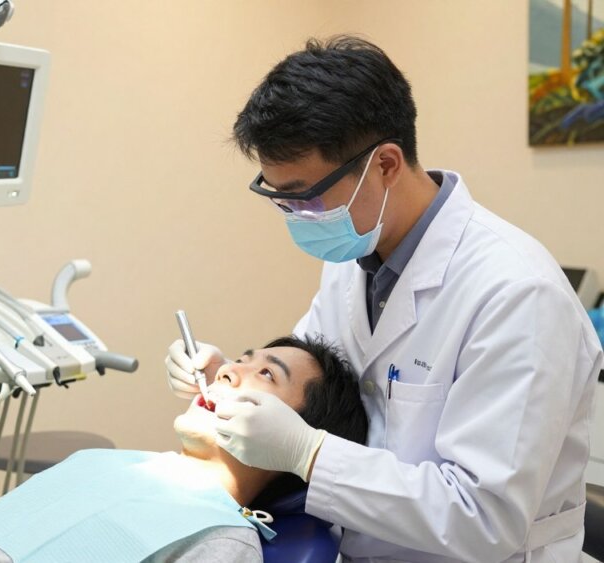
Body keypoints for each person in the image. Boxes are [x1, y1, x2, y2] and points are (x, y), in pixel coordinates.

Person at [165, 35, 603, 562]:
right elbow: (320, 382)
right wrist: (229, 378)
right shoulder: (354, 257)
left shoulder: (517, 293)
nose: (295, 213)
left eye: (304, 194)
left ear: (387, 164)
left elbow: (484, 518)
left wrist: (309, 453)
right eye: (278, 195)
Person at [0, 335, 368, 563]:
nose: (228, 371)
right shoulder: (100, 465)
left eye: (265, 374)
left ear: (294, 436)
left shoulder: (222, 539)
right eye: (242, 356)